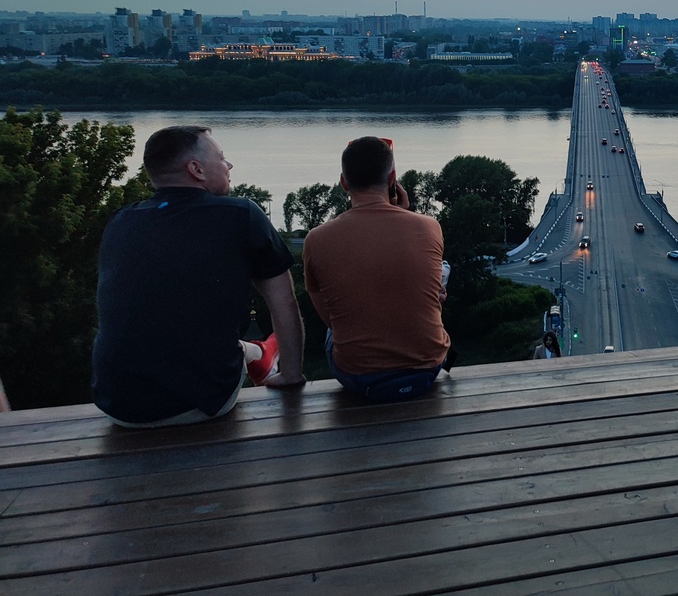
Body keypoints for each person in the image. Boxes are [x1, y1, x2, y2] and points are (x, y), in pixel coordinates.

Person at [93, 126, 305, 427]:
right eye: (221, 158)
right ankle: (259, 353)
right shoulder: (241, 214)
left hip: (117, 406)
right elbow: (284, 302)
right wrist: (292, 375)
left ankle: (256, 352)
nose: (228, 165)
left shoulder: (120, 221)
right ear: (196, 169)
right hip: (200, 403)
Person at [303, 136, 452, 401]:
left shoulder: (316, 239)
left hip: (358, 376)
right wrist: (401, 214)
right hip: (428, 368)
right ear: (392, 177)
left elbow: (330, 319)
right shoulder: (430, 227)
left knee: (340, 322)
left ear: (344, 183)